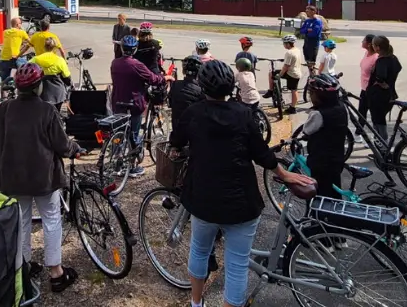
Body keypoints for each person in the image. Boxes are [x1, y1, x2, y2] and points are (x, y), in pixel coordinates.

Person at [168, 60, 314, 307]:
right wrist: (284, 174)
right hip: (242, 203)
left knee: (199, 250)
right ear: (230, 86)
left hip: (203, 199)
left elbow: (176, 140)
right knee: (237, 264)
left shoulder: (193, 113)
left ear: (203, 86)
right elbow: (262, 154)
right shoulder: (244, 114)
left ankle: (196, 302)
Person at [0, 63, 82, 294]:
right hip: (44, 179)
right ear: (39, 87)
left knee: (21, 222)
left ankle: (24, 268)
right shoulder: (47, 110)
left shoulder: (5, 109)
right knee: (51, 219)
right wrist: (75, 149)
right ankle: (56, 273)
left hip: (13, 178)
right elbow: (62, 145)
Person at [110, 35, 171, 176]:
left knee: (119, 132)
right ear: (134, 49)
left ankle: (116, 162)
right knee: (134, 133)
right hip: (134, 103)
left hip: (118, 101)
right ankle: (133, 166)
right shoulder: (137, 65)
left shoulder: (115, 63)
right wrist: (165, 78)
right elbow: (153, 79)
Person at [302, 73, 350, 206]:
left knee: (320, 196)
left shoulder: (318, 114)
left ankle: (321, 217)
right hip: (337, 157)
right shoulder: (341, 107)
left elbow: (306, 130)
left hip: (321, 161)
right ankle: (336, 214)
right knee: (334, 192)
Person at [366, 36, 402, 141]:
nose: (372, 47)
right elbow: (399, 67)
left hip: (379, 96)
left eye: (373, 45)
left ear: (377, 47)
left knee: (378, 121)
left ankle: (382, 144)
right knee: (380, 119)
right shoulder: (393, 58)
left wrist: (381, 83)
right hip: (390, 94)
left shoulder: (382, 60)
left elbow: (381, 76)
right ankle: (380, 143)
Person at [168, 55, 205, 140]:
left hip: (177, 136)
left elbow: (170, 104)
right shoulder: (201, 90)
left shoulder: (175, 85)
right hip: (194, 138)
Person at [31, 37, 71, 108]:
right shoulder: (60, 60)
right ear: (54, 48)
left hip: (41, 93)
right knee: (56, 111)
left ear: (44, 47)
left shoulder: (36, 59)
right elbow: (67, 78)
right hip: (58, 94)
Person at [279, 35, 302, 114]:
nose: (283, 45)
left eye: (284, 43)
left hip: (291, 73)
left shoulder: (289, 53)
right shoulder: (297, 50)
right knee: (294, 90)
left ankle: (271, 91)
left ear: (288, 44)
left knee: (271, 73)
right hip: (297, 73)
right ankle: (293, 107)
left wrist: (279, 75)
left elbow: (286, 66)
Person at [357, 34, 377, 123]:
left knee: (374, 115)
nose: (362, 42)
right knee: (361, 113)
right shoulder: (366, 53)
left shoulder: (376, 58)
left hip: (371, 90)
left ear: (369, 44)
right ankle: (359, 130)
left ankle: (378, 131)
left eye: (364, 40)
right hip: (364, 89)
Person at [298, 5, 324, 73]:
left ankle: (313, 75)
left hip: (313, 43)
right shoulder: (307, 21)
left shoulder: (317, 21)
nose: (307, 12)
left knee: (311, 62)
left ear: (314, 11)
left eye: (308, 11)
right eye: (306, 11)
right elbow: (301, 30)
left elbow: (314, 33)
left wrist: (307, 31)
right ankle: (311, 74)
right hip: (306, 42)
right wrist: (308, 30)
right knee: (307, 61)